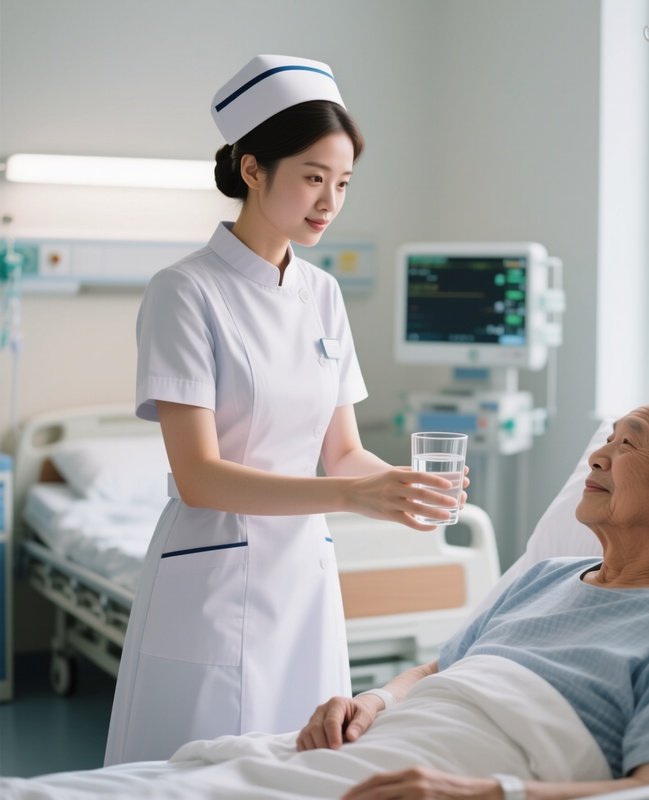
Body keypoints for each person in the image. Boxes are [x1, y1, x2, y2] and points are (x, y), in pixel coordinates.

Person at [104, 54, 465, 766]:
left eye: (343, 183)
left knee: (305, 762)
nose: (329, 201)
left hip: (304, 576)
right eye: (312, 177)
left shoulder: (322, 294)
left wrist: (401, 488)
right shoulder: (184, 292)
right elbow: (200, 477)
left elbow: (343, 452)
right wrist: (352, 495)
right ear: (252, 169)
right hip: (211, 576)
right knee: (199, 770)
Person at [295, 387, 649, 799]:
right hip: (374, 750)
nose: (598, 457)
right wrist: (373, 702)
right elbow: (435, 671)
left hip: (452, 773)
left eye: (628, 443)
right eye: (608, 439)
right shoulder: (546, 577)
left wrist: (490, 793)